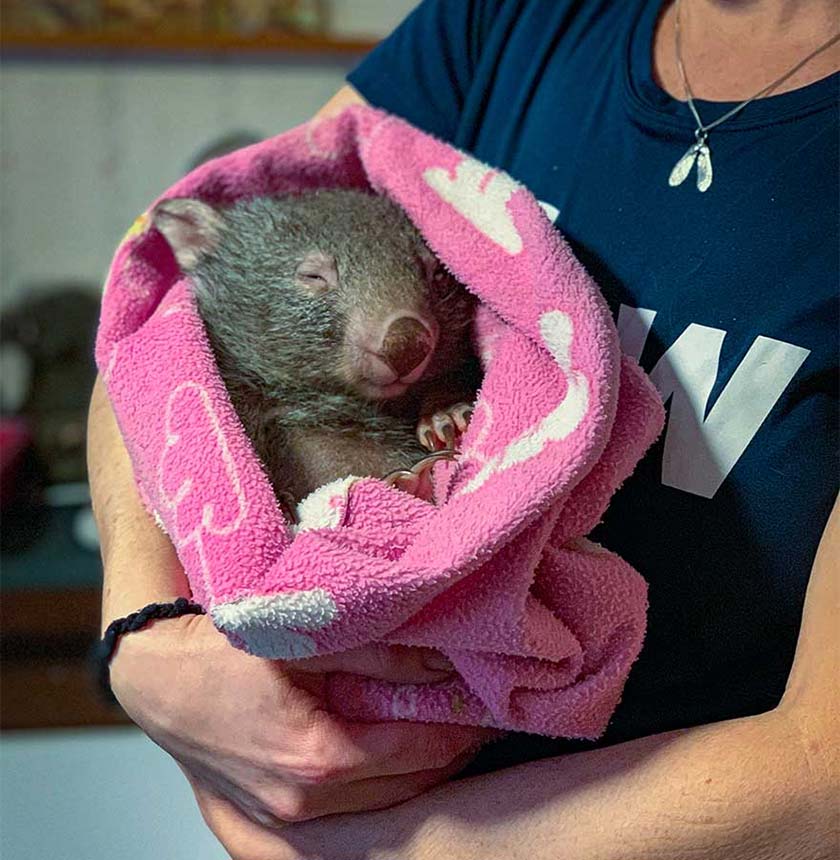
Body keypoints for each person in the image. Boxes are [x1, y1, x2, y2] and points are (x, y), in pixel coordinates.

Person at [87, 1, 839, 857]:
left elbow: (823, 777)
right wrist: (148, 638)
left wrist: (382, 845)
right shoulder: (509, 19)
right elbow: (155, 330)